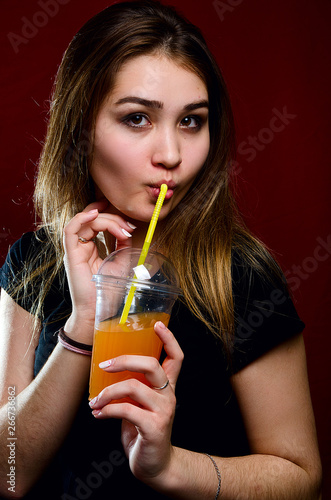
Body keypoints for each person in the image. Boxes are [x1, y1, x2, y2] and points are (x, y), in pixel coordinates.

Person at [0, 1, 322, 498]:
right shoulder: (32, 263)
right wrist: (83, 324)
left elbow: (302, 478)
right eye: (137, 119)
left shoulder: (240, 274)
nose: (171, 154)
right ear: (81, 126)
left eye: (191, 121)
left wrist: (169, 468)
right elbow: (8, 474)